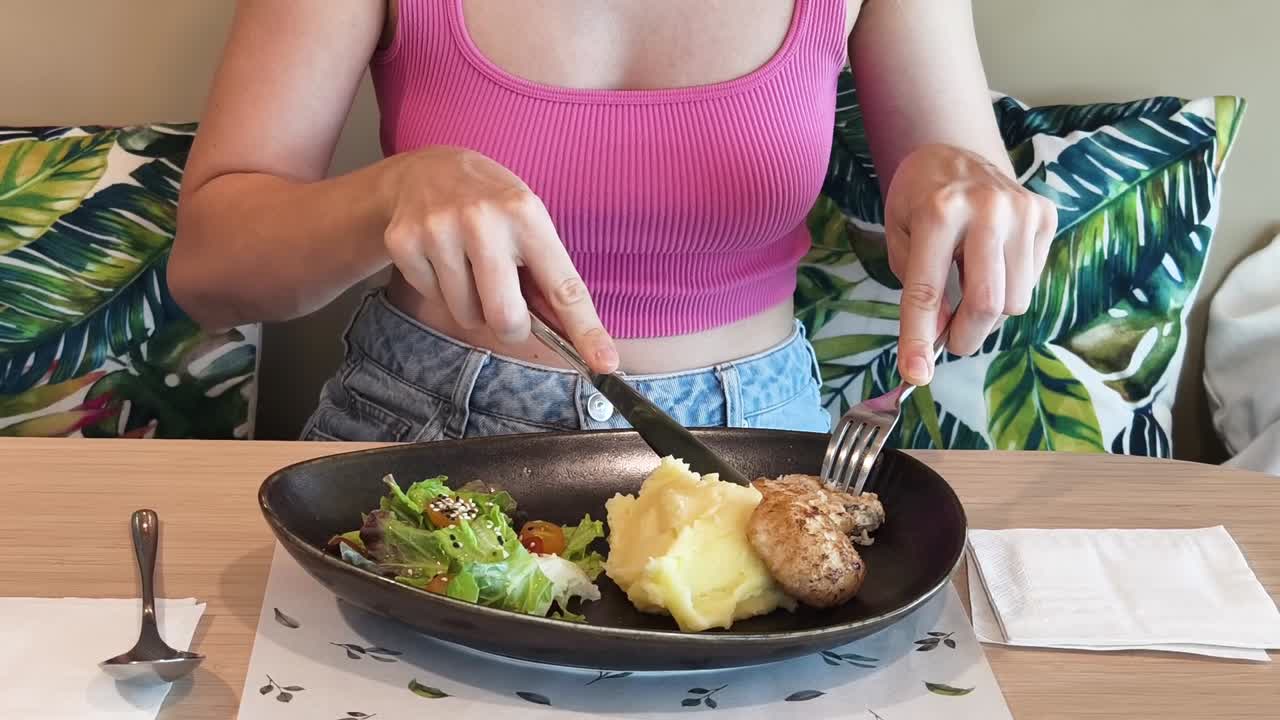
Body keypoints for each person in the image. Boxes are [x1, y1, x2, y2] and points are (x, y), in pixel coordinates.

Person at [169, 0, 1056, 443]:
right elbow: (210, 272)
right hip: (421, 431)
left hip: (751, 449)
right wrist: (387, 194)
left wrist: (974, 196)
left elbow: (977, 225)